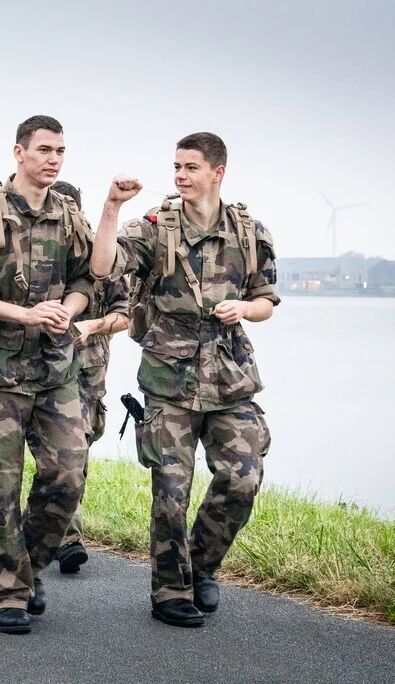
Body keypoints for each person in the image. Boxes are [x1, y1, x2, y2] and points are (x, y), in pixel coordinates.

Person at [90, 132, 279, 627]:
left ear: (219, 172)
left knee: (242, 478)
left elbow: (267, 301)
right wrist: (111, 206)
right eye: (176, 166)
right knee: (171, 490)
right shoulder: (153, 227)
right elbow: (103, 264)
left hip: (231, 375)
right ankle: (170, 591)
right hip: (170, 376)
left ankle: (202, 566)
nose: (180, 175)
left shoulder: (250, 231)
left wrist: (245, 308)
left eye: (191, 167)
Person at [0, 115, 93, 635]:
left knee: (68, 472)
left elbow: (89, 278)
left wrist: (69, 306)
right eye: (43, 149)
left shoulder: (67, 214)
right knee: (1, 486)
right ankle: (7, 594)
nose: (53, 158)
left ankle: (29, 567)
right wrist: (24, 313)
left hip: (54, 367)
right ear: (18, 152)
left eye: (60, 150)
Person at [46, 181, 131, 574]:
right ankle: (58, 537)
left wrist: (93, 326)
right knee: (55, 459)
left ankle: (66, 535)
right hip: (40, 371)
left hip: (88, 371)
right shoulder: (39, 254)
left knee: (76, 455)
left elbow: (124, 315)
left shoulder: (103, 257)